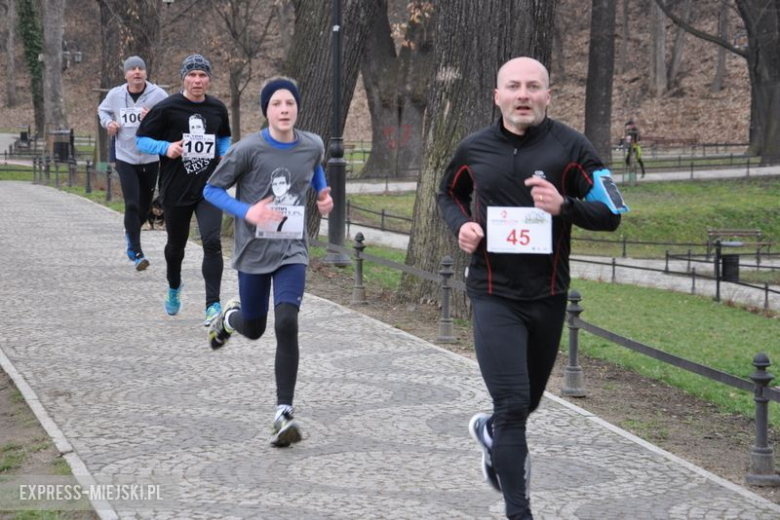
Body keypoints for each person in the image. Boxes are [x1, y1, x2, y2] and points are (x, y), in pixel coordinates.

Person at [437, 57, 623, 520]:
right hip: (492, 292)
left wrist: (564, 205)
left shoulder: (572, 148)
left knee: (528, 402)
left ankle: (492, 433)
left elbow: (613, 213)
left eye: (533, 87)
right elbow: (448, 193)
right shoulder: (474, 149)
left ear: (547, 96)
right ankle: (520, 512)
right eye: (514, 87)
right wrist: (462, 227)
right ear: (497, 96)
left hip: (548, 295)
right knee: (514, 403)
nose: (524, 95)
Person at [203, 77, 333, 448]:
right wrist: (248, 211)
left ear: (297, 108)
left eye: (289, 103)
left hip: (292, 250)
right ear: (266, 110)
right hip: (254, 252)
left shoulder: (312, 144)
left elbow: (315, 166)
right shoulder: (248, 149)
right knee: (256, 327)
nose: (284, 110)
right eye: (276, 104)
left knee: (287, 322)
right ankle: (228, 318)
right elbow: (210, 190)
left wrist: (321, 193)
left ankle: (283, 413)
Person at [136, 54, 231, 325]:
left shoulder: (217, 108)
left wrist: (224, 154)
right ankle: (174, 286)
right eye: (192, 75)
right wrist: (167, 148)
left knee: (212, 243)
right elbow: (141, 140)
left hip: (209, 188)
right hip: (175, 188)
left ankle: (212, 305)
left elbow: (223, 136)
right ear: (184, 78)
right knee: (176, 247)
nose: (197, 80)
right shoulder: (167, 108)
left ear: (209, 79)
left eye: (202, 75)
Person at [98, 56, 168, 271]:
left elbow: (171, 117)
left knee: (145, 206)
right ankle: (137, 253)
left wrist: (154, 116)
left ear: (145, 73)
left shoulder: (158, 95)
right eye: (132, 69)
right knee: (132, 203)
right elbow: (103, 110)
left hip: (150, 157)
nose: (137, 72)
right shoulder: (115, 95)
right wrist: (109, 123)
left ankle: (130, 234)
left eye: (140, 68)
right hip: (125, 156)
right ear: (126, 74)